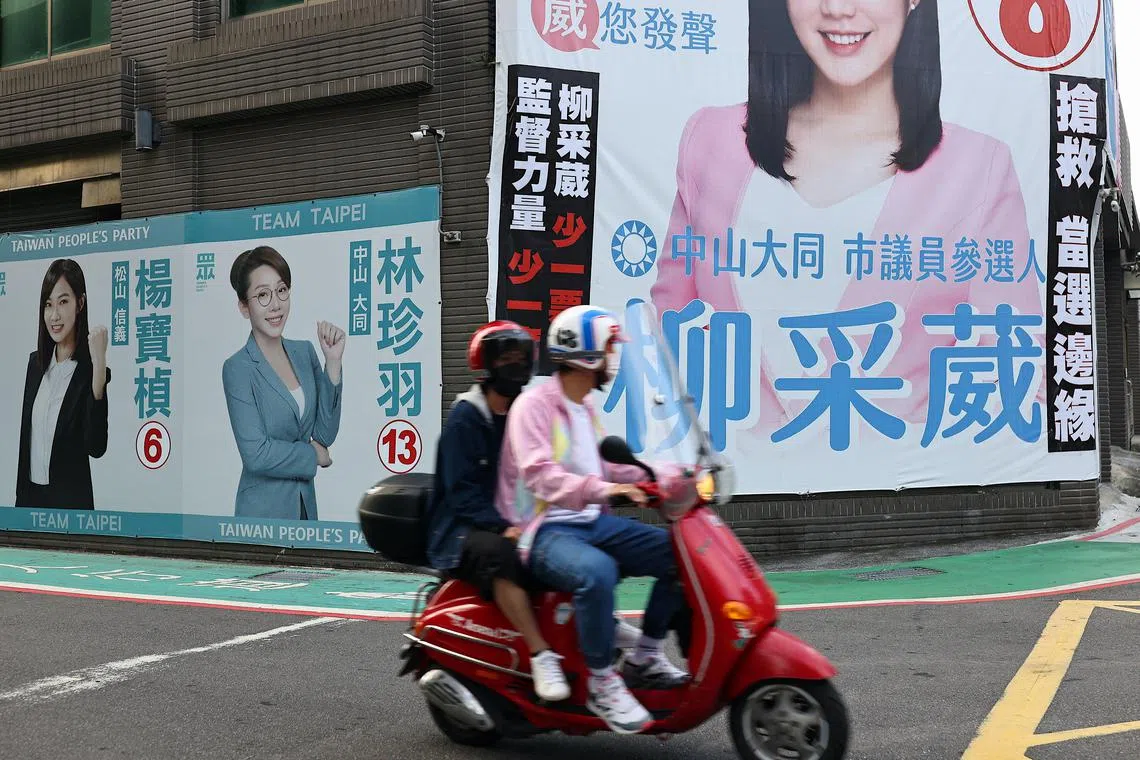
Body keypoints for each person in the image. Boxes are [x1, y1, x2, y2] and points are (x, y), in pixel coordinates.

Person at [651, 0, 1042, 433]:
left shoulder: (977, 167)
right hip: (733, 485)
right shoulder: (711, 139)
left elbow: (1022, 375)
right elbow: (669, 330)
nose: (837, 9)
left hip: (894, 482)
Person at [496, 305, 690, 736]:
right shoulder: (533, 405)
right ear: (585, 356)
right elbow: (540, 475)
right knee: (596, 572)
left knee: (681, 554)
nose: (612, 360)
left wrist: (664, 475)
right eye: (607, 350)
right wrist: (607, 491)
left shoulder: (582, 407)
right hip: (544, 530)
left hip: (590, 521)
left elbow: (609, 467)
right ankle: (603, 679)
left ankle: (645, 658)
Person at [425, 320, 573, 702]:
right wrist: (503, 526)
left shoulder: (525, 412)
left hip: (512, 517)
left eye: (521, 357)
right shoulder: (467, 418)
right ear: (487, 364)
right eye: (506, 357)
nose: (516, 365)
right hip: (461, 529)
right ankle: (542, 655)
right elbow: (461, 494)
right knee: (503, 555)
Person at [222, 246, 345, 521]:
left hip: (305, 510)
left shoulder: (305, 353)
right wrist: (313, 455)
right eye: (262, 295)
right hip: (261, 514)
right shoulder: (238, 369)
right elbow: (256, 454)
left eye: (282, 290)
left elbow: (324, 435)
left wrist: (333, 364)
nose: (276, 304)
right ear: (244, 307)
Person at [16, 259, 110, 509]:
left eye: (63, 301)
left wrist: (99, 365)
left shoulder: (90, 370)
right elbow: (26, 450)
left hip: (71, 510)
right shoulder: (35, 365)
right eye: (48, 304)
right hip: (30, 504)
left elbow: (96, 446)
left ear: (80, 303)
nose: (54, 315)